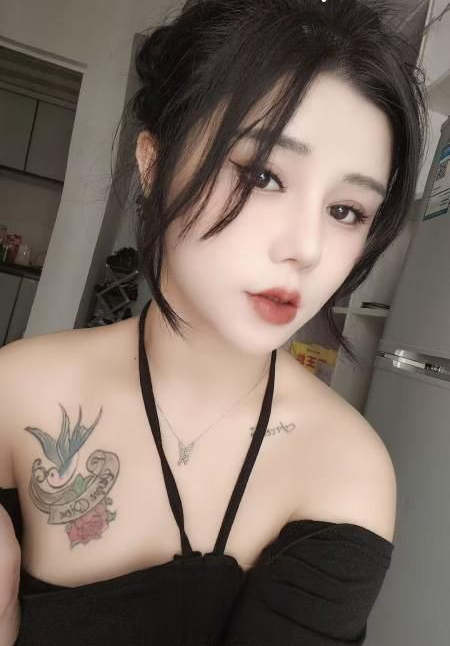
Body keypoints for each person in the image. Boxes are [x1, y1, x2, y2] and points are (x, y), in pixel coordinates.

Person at [0, 0, 427, 643]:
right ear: (154, 164)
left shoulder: (346, 468)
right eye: (263, 175)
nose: (306, 248)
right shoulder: (17, 392)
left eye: (346, 211)